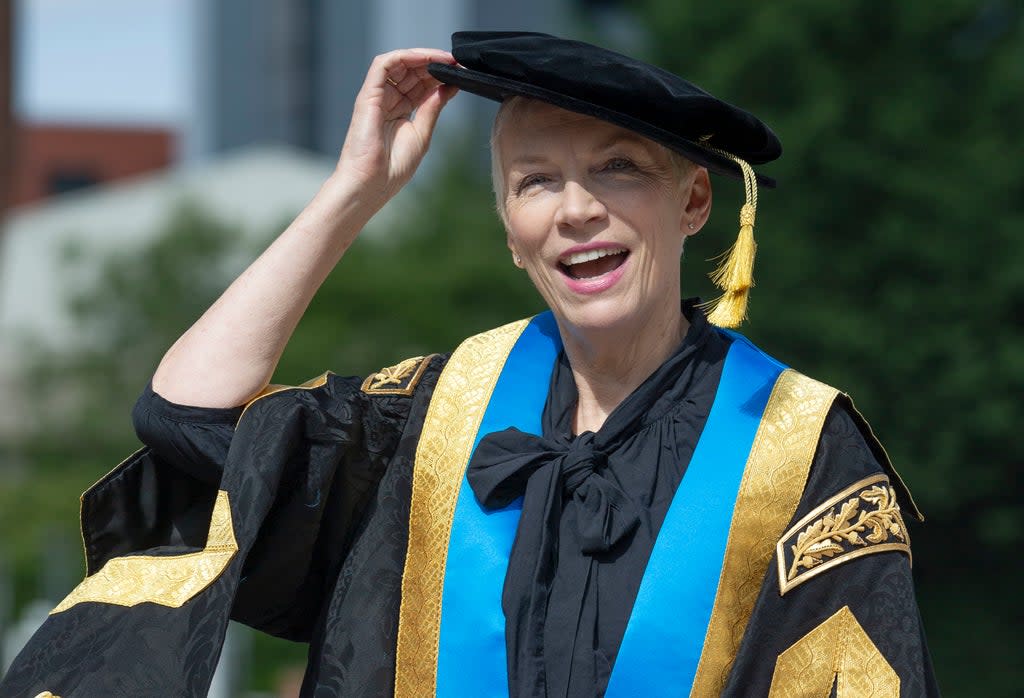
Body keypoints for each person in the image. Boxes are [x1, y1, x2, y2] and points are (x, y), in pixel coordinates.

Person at [0, 32, 938, 698]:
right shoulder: (432, 416)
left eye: (617, 169)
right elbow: (187, 420)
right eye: (536, 180)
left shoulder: (799, 446)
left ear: (693, 201)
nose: (574, 209)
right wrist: (355, 190)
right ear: (510, 232)